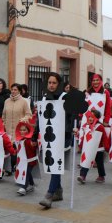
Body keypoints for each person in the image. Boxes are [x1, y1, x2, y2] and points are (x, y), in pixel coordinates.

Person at [35, 72, 72, 209]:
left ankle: (49, 195)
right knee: (51, 162)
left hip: (61, 137)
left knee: (55, 163)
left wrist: (68, 134)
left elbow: (71, 118)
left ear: (59, 84)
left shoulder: (65, 97)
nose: (51, 85)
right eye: (49, 82)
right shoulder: (44, 98)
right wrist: (34, 136)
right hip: (48, 137)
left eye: (54, 83)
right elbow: (40, 119)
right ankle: (58, 190)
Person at [2, 83, 32, 174]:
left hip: (18, 130)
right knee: (8, 150)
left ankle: (16, 168)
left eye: (15, 90)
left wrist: (23, 119)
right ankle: (8, 169)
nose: (13, 91)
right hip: (7, 130)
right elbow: (3, 115)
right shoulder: (6, 101)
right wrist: (2, 124)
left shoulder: (24, 101)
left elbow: (29, 115)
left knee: (16, 150)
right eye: (12, 89)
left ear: (19, 91)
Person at [76, 109, 109, 184]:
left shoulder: (100, 126)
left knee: (99, 163)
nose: (90, 118)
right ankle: (82, 176)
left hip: (98, 149)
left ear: (97, 118)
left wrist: (107, 147)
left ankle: (101, 176)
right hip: (88, 148)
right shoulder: (86, 126)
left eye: (92, 117)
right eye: (89, 116)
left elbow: (105, 137)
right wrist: (81, 145)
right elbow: (84, 136)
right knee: (86, 161)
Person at [14, 121, 38, 196]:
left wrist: (33, 145)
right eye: (21, 130)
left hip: (30, 161)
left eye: (24, 130)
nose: (22, 131)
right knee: (28, 172)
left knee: (27, 172)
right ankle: (31, 184)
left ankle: (24, 187)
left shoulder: (29, 140)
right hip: (23, 161)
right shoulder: (20, 139)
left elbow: (33, 147)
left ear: (28, 130)